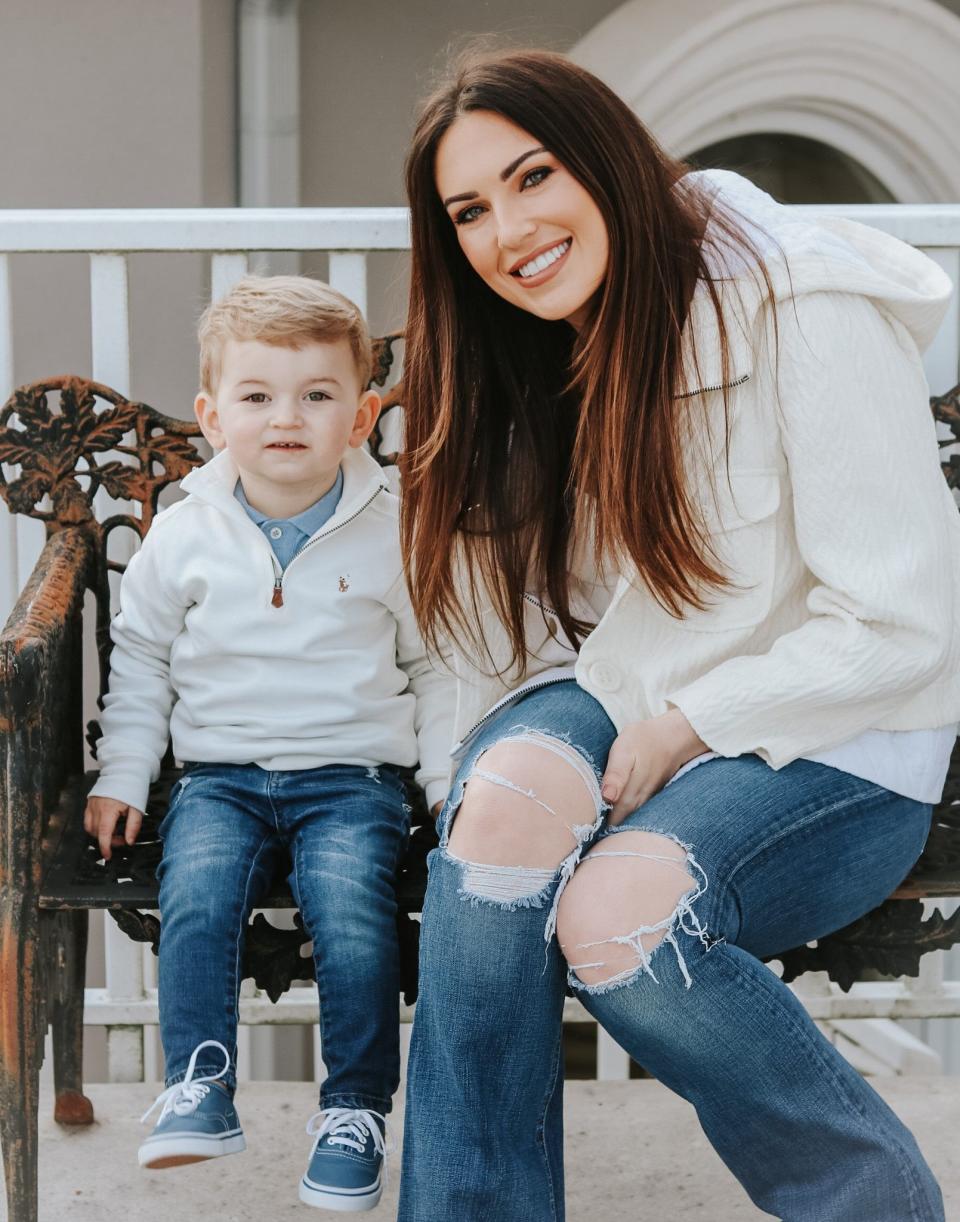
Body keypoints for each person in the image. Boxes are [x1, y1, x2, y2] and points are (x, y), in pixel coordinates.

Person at [396, 48, 960, 1222]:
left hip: (835, 738)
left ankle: (872, 1206)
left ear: (605, 157)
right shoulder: (541, 333)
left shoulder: (804, 300)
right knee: (499, 818)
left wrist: (689, 727)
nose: (510, 229)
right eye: (470, 211)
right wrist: (463, 784)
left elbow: (903, 623)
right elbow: (491, 628)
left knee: (619, 915)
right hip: (623, 684)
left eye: (533, 175)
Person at [83, 275, 453, 1212]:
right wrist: (124, 774)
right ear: (212, 415)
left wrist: (451, 782)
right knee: (197, 898)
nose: (286, 418)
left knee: (353, 918)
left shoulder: (396, 526)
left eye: (317, 395)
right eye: (256, 396)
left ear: (362, 413)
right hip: (219, 777)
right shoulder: (184, 531)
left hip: (354, 779)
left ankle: (356, 1109)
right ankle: (200, 1082)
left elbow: (437, 665)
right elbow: (142, 664)